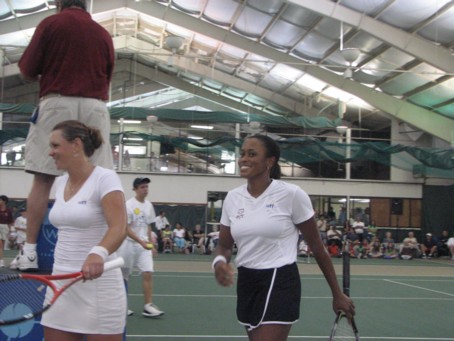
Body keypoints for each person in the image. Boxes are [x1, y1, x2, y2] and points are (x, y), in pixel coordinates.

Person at [212, 134, 355, 341]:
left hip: (280, 280)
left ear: (270, 161)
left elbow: (316, 246)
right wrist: (219, 263)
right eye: (242, 153)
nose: (243, 159)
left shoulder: (292, 195)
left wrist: (337, 293)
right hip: (247, 282)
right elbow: (224, 246)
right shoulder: (233, 199)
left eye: (252, 154)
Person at [16, 0, 115, 271]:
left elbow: (26, 70)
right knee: (101, 178)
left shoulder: (51, 24)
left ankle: (30, 252)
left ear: (59, 2)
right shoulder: (103, 33)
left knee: (43, 176)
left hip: (58, 101)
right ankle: (103, 247)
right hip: (96, 106)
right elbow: (108, 75)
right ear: (86, 4)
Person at [39, 120, 127, 340]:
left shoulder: (105, 178)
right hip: (60, 282)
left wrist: (98, 253)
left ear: (76, 145)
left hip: (100, 286)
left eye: (55, 146)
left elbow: (119, 227)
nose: (51, 152)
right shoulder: (59, 183)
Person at [116, 177, 164, 318]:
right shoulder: (128, 205)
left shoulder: (149, 205)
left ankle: (148, 306)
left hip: (144, 246)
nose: (145, 189)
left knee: (148, 272)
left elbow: (148, 225)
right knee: (124, 277)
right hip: (128, 245)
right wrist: (139, 241)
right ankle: (122, 306)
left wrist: (151, 244)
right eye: (142, 187)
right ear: (135, 189)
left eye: (146, 187)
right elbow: (126, 228)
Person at [0, 195, 14, 267]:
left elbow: (10, 222)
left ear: (4, 201)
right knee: (0, 245)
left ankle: (1, 261)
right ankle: (1, 261)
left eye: (0, 200)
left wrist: (10, 231)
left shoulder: (8, 211)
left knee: (2, 247)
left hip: (5, 227)